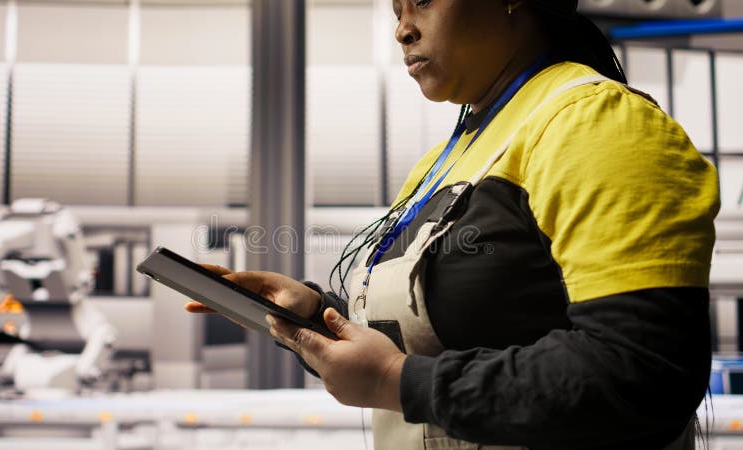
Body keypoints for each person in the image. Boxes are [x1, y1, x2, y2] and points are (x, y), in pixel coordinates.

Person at [186, 0, 719, 448]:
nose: (401, 28)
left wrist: (397, 382)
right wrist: (313, 315)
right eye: (395, 10)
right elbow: (437, 338)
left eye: (421, 0)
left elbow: (640, 372)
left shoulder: (595, 123)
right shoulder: (452, 155)